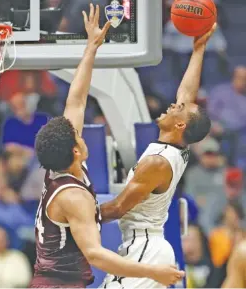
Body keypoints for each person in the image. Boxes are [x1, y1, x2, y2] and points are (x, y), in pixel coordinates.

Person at [30, 4, 184, 289]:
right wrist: (152, 272)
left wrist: (92, 47)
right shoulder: (73, 197)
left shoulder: (62, 168)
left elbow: (75, 101)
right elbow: (95, 254)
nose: (82, 136)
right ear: (76, 151)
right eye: (78, 136)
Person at [100, 24, 217, 288]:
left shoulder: (157, 161)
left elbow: (118, 208)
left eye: (178, 109)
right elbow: (187, 93)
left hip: (146, 249)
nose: (173, 104)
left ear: (180, 126)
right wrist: (198, 49)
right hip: (144, 246)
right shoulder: (178, 145)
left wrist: (76, 215)